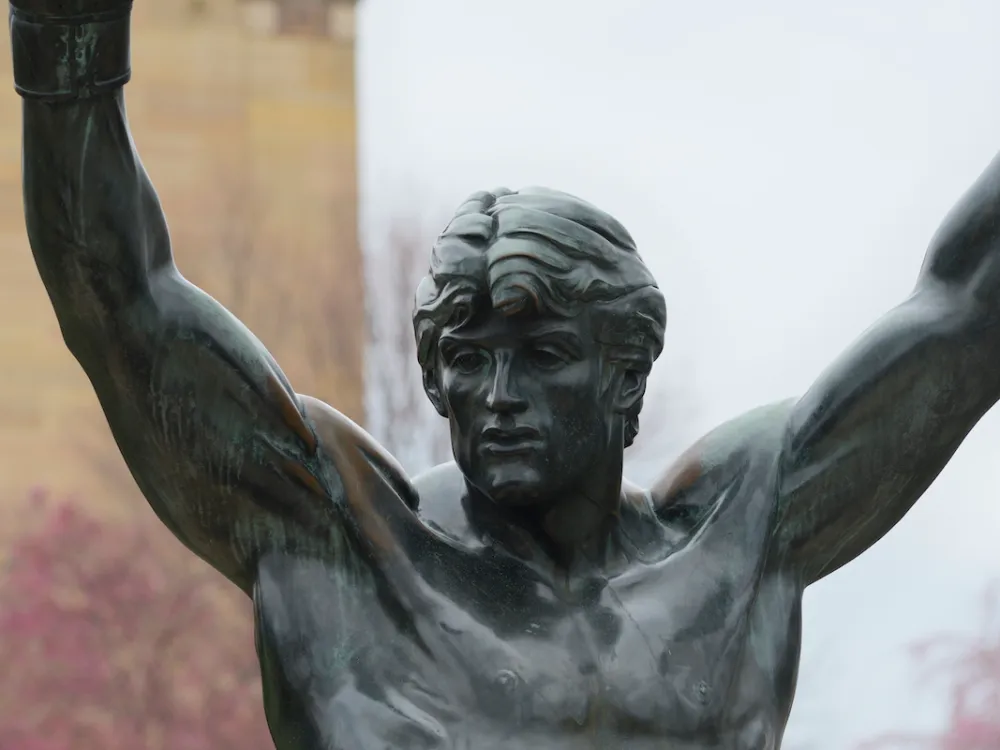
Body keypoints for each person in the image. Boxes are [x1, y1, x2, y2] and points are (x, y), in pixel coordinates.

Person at [10, 2, 1000, 748]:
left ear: (627, 376)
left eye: (543, 356)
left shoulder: (734, 542)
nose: (495, 395)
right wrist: (66, 38)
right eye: (465, 359)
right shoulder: (346, 544)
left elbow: (966, 315)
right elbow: (120, 301)